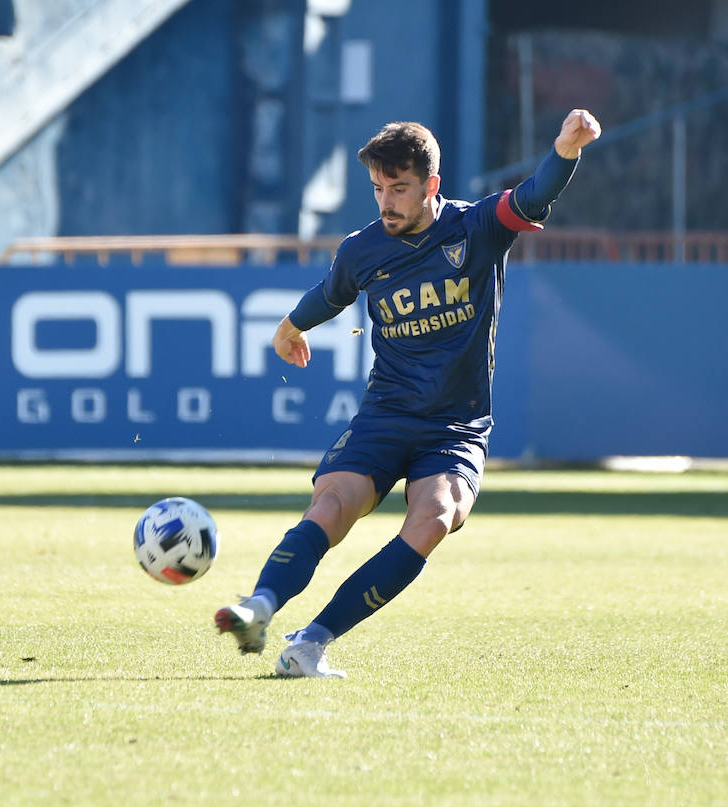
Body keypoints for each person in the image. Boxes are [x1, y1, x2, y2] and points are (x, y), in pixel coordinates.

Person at [215, 109, 602, 678]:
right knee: (331, 506)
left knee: (433, 519)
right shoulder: (362, 249)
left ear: (431, 186)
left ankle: (311, 642)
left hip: (457, 427)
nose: (387, 202)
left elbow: (533, 195)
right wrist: (291, 326)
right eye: (378, 189)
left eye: (399, 189)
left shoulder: (477, 228)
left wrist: (565, 150)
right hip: (387, 414)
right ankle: (259, 606)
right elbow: (332, 293)